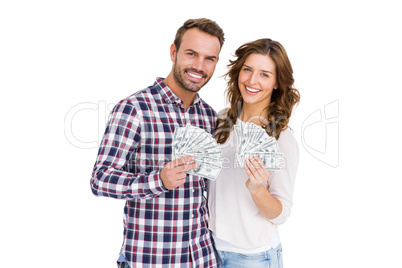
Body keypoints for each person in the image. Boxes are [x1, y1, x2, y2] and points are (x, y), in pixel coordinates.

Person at [90, 18, 225, 268]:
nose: (199, 65)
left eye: (209, 58)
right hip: (151, 259)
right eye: (191, 54)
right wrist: (158, 181)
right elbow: (100, 180)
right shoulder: (134, 109)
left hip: (202, 259)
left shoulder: (208, 115)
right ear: (173, 52)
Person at [208, 38, 300, 268]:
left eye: (264, 74)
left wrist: (257, 188)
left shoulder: (281, 140)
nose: (251, 80)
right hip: (207, 249)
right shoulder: (220, 120)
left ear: (278, 82)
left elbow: (281, 214)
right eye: (247, 69)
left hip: (253, 258)